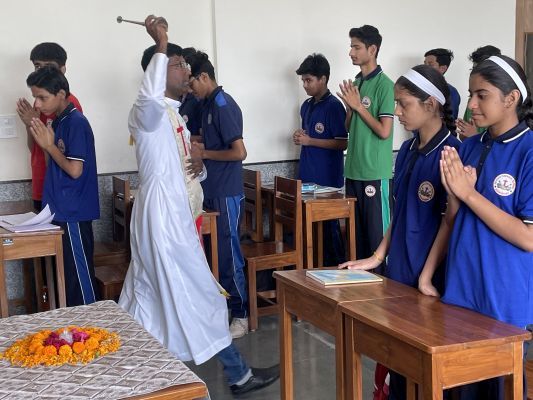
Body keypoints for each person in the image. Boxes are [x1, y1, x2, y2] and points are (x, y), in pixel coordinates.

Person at [118, 16, 278, 395]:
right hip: (162, 219)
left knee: (147, 296)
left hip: (174, 214)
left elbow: (183, 169)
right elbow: (148, 99)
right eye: (178, 64)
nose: (186, 70)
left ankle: (129, 368)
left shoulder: (174, 112)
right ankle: (238, 374)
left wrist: (199, 165)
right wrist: (161, 43)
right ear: (157, 70)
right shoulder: (146, 111)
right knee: (195, 293)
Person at [341, 64, 460, 399]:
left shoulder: (451, 153)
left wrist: (426, 276)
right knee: (398, 362)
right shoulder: (407, 150)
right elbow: (402, 211)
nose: (396, 111)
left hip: (430, 281)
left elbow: (449, 222)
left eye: (403, 104)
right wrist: (377, 256)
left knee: (425, 369)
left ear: (430, 105)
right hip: (401, 273)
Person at [421, 55, 533, 399]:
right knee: (460, 387)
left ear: (511, 98)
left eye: (482, 95)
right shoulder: (469, 146)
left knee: (499, 388)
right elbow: (454, 221)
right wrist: (457, 196)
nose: (471, 105)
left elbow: (528, 238)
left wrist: (469, 194)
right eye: (470, 94)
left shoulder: (528, 151)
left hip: (503, 299)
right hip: (461, 291)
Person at [187, 50, 249, 339]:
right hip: (212, 189)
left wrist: (205, 154)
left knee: (228, 255)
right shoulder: (207, 105)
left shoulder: (223, 105)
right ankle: (221, 310)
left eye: (192, 83)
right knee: (214, 255)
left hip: (227, 192)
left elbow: (240, 152)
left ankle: (241, 314)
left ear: (203, 77)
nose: (190, 90)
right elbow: (210, 141)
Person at [26, 66, 99, 307]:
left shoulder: (76, 122)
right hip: (61, 208)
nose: (37, 104)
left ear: (60, 94)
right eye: (35, 97)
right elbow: (53, 165)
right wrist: (44, 144)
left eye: (42, 97)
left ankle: (91, 323)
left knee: (79, 279)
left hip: (74, 212)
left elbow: (75, 170)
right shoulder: (59, 121)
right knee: (67, 278)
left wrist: (49, 145)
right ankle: (75, 326)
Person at [337, 25, 394, 275]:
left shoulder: (385, 85)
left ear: (372, 49)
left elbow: (384, 131)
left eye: (356, 47)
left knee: (377, 243)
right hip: (353, 171)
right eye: (351, 47)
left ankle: (386, 293)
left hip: (374, 173)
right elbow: (349, 127)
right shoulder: (357, 82)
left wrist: (359, 106)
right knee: (356, 241)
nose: (351, 52)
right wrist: (350, 109)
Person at [293, 52, 347, 265]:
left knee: (329, 231)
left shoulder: (334, 106)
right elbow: (309, 137)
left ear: (323, 79)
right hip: (307, 177)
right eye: (303, 81)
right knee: (311, 233)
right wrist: (300, 136)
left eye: (309, 80)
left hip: (327, 181)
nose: (305, 85)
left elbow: (342, 143)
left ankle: (337, 270)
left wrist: (310, 141)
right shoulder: (306, 105)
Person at [16, 42, 83, 211]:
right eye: (37, 66)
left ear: (63, 69)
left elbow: (70, 162)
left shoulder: (67, 104)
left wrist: (38, 126)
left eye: (49, 67)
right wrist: (30, 125)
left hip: (59, 186)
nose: (42, 71)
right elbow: (34, 149)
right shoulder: (40, 102)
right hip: (40, 183)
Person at [456, 45, 501, 139]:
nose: (471, 105)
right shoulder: (472, 101)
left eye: (483, 96)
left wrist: (475, 136)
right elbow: (464, 137)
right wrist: (465, 132)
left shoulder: (504, 102)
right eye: (474, 69)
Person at [424, 48, 461, 119]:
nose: (424, 67)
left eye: (430, 64)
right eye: (424, 63)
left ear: (443, 68)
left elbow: (450, 120)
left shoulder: (451, 92)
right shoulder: (420, 87)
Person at [180, 47, 203, 141]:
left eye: (182, 66)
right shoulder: (179, 98)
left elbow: (207, 139)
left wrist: (179, 138)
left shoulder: (199, 99)